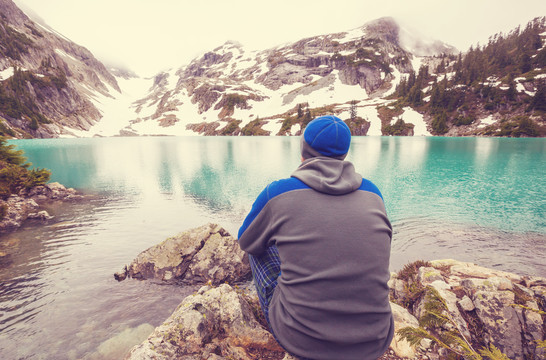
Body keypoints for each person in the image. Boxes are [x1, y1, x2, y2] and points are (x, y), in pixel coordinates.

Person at [237, 115, 394, 360]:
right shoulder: (373, 193)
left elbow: (246, 241)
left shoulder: (279, 192)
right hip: (374, 340)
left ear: (303, 152)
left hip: (302, 341)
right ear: (344, 154)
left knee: (260, 248)